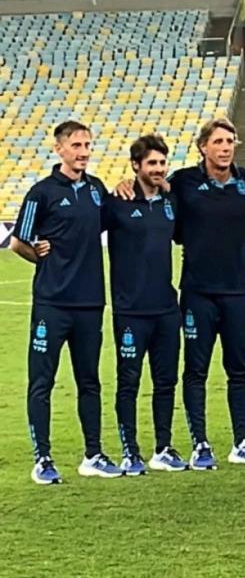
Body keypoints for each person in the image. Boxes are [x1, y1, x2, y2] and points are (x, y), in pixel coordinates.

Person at [11, 121, 122, 484]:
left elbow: (108, 223)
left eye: (88, 144)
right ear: (59, 149)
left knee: (89, 381)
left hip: (90, 302)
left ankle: (94, 454)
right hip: (52, 304)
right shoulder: (41, 193)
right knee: (42, 381)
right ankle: (42, 458)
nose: (84, 151)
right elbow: (17, 242)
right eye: (77, 145)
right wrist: (38, 254)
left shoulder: (95, 189)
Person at [170, 117, 245, 470]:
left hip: (241, 291)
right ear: (203, 146)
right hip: (198, 291)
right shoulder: (182, 182)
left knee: (239, 368)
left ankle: (241, 442)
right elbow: (156, 202)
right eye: (219, 141)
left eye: (230, 141)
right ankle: (200, 444)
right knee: (196, 369)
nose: (225, 148)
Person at [104, 135, 187, 475]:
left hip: (167, 308)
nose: (158, 169)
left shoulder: (171, 202)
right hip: (130, 311)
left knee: (166, 381)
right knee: (129, 382)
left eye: (162, 163)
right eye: (151, 163)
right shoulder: (117, 203)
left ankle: (163, 448)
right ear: (136, 166)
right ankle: (129, 450)